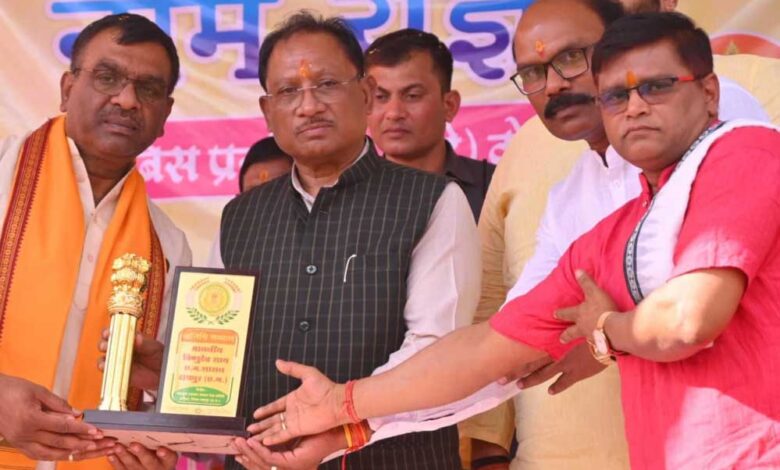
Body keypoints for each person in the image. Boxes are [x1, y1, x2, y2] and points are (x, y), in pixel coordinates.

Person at [249, 11, 780, 470]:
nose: (634, 107)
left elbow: (686, 321)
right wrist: (346, 413)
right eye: (616, 95)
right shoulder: (602, 228)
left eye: (655, 87)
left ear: (709, 93)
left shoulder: (743, 150)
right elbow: (490, 352)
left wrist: (604, 330)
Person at [461, 0, 772, 467]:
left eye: (571, 59)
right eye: (533, 73)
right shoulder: (567, 192)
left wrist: (605, 332)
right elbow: (512, 332)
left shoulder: (724, 110)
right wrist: (365, 409)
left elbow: (687, 317)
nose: (554, 85)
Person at [212, 12, 480, 470]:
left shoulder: (432, 201)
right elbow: (220, 348)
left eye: (326, 84)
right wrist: (174, 368)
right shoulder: (238, 218)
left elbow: (436, 354)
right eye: (288, 91)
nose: (309, 106)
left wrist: (340, 426)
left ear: (365, 93)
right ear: (267, 111)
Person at [0, 13, 191, 470]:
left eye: (148, 89)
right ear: (67, 88)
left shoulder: (168, 245)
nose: (127, 100)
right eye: (108, 77)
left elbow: (156, 405)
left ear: (165, 115)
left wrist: (154, 440)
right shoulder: (3, 179)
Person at [365, 29, 495, 221]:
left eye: (412, 96)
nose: (394, 113)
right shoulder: (346, 194)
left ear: (449, 105)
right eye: (380, 97)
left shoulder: (494, 187)